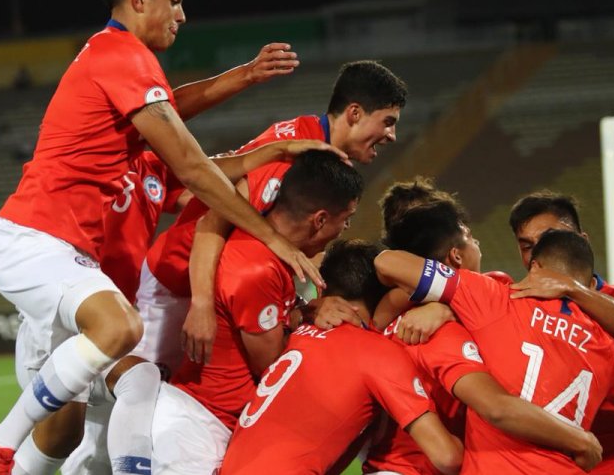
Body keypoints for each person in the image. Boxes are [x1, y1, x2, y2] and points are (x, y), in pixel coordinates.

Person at [0, 0, 325, 474]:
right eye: (174, 0)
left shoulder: (118, 72)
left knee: (67, 435)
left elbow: (178, 126)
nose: (182, 14)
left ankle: (3, 455)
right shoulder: (123, 55)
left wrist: (255, 107)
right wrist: (274, 238)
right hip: (40, 242)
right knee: (121, 332)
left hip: (68, 260)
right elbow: (195, 166)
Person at [135, 59, 407, 372]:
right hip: (181, 279)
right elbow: (212, 222)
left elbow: (304, 247)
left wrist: (306, 302)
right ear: (355, 113)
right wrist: (201, 303)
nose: (392, 135)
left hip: (226, 291)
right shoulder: (291, 157)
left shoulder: (322, 158)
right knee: (142, 382)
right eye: (387, 121)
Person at [375, 220, 614, 474]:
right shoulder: (610, 345)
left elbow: (387, 262)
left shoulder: (495, 299)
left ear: (536, 267)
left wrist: (443, 302)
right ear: (588, 282)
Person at [145, 150, 363, 473]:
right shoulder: (256, 269)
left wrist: (302, 313)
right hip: (194, 431)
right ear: (319, 220)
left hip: (211, 424)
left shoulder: (269, 254)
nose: (344, 229)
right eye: (345, 220)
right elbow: (274, 367)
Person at [219, 239, 464, 475]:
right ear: (387, 293)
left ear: (322, 288)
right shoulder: (376, 351)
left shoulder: (294, 334)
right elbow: (446, 457)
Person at [507, 191, 614, 474]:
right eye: (526, 245)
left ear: (582, 240)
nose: (537, 253)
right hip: (552, 461)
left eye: (550, 238)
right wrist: (440, 310)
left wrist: (571, 288)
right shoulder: (512, 299)